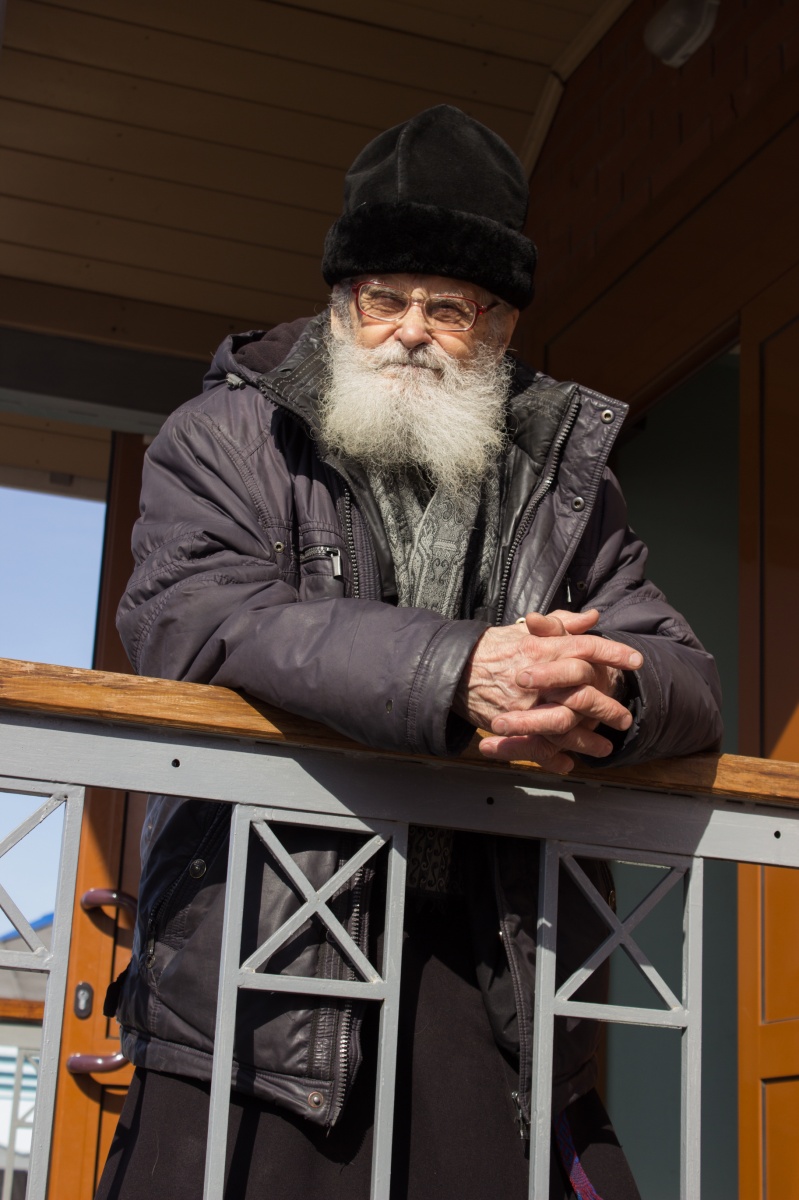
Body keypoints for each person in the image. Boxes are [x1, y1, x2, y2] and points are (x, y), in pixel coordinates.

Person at [96, 105, 722, 1199]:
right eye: (382, 300)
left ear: (501, 327)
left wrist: (592, 692)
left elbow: (684, 673)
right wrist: (462, 672)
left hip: (488, 960)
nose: (409, 332)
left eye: (448, 307)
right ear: (342, 304)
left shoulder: (566, 480)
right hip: (262, 954)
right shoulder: (225, 436)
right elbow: (195, 616)